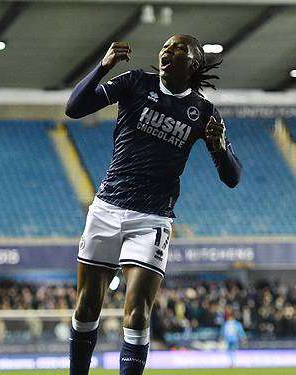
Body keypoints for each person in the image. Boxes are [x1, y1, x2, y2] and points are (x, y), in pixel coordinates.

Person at [66, 34, 242, 375]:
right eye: (164, 46)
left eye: (177, 48)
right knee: (87, 307)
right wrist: (102, 67)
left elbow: (231, 177)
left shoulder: (203, 112)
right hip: (107, 207)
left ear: (191, 63)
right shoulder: (135, 82)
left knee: (137, 313)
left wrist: (220, 147)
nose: (166, 51)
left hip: (153, 218)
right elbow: (74, 108)